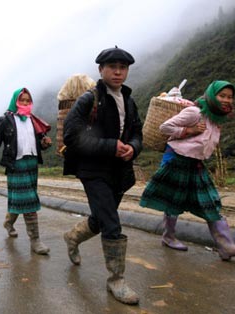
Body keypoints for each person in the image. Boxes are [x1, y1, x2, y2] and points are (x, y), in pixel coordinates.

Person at [139, 80, 235, 261]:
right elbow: (165, 127)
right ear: (211, 96)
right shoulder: (195, 112)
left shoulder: (216, 119)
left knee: (211, 201)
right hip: (176, 159)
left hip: (196, 164)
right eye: (222, 96)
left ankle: (226, 246)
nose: (226, 100)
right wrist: (188, 130)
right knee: (174, 200)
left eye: (230, 97)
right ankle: (168, 237)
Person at [62, 46, 143, 305]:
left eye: (123, 68)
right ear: (101, 70)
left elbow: (137, 132)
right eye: (112, 67)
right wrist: (110, 146)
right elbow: (71, 136)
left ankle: (73, 237)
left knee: (101, 218)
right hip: (93, 170)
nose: (118, 72)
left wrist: (133, 147)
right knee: (112, 222)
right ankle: (116, 280)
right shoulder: (89, 99)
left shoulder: (128, 100)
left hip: (118, 170)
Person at [0, 87, 52, 255]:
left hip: (32, 164)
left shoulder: (33, 120)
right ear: (15, 101)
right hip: (16, 165)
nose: (25, 103)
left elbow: (39, 143)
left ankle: (8, 223)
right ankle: (35, 241)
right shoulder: (6, 120)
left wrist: (45, 144)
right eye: (22, 100)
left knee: (21, 200)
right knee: (28, 202)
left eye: (28, 100)